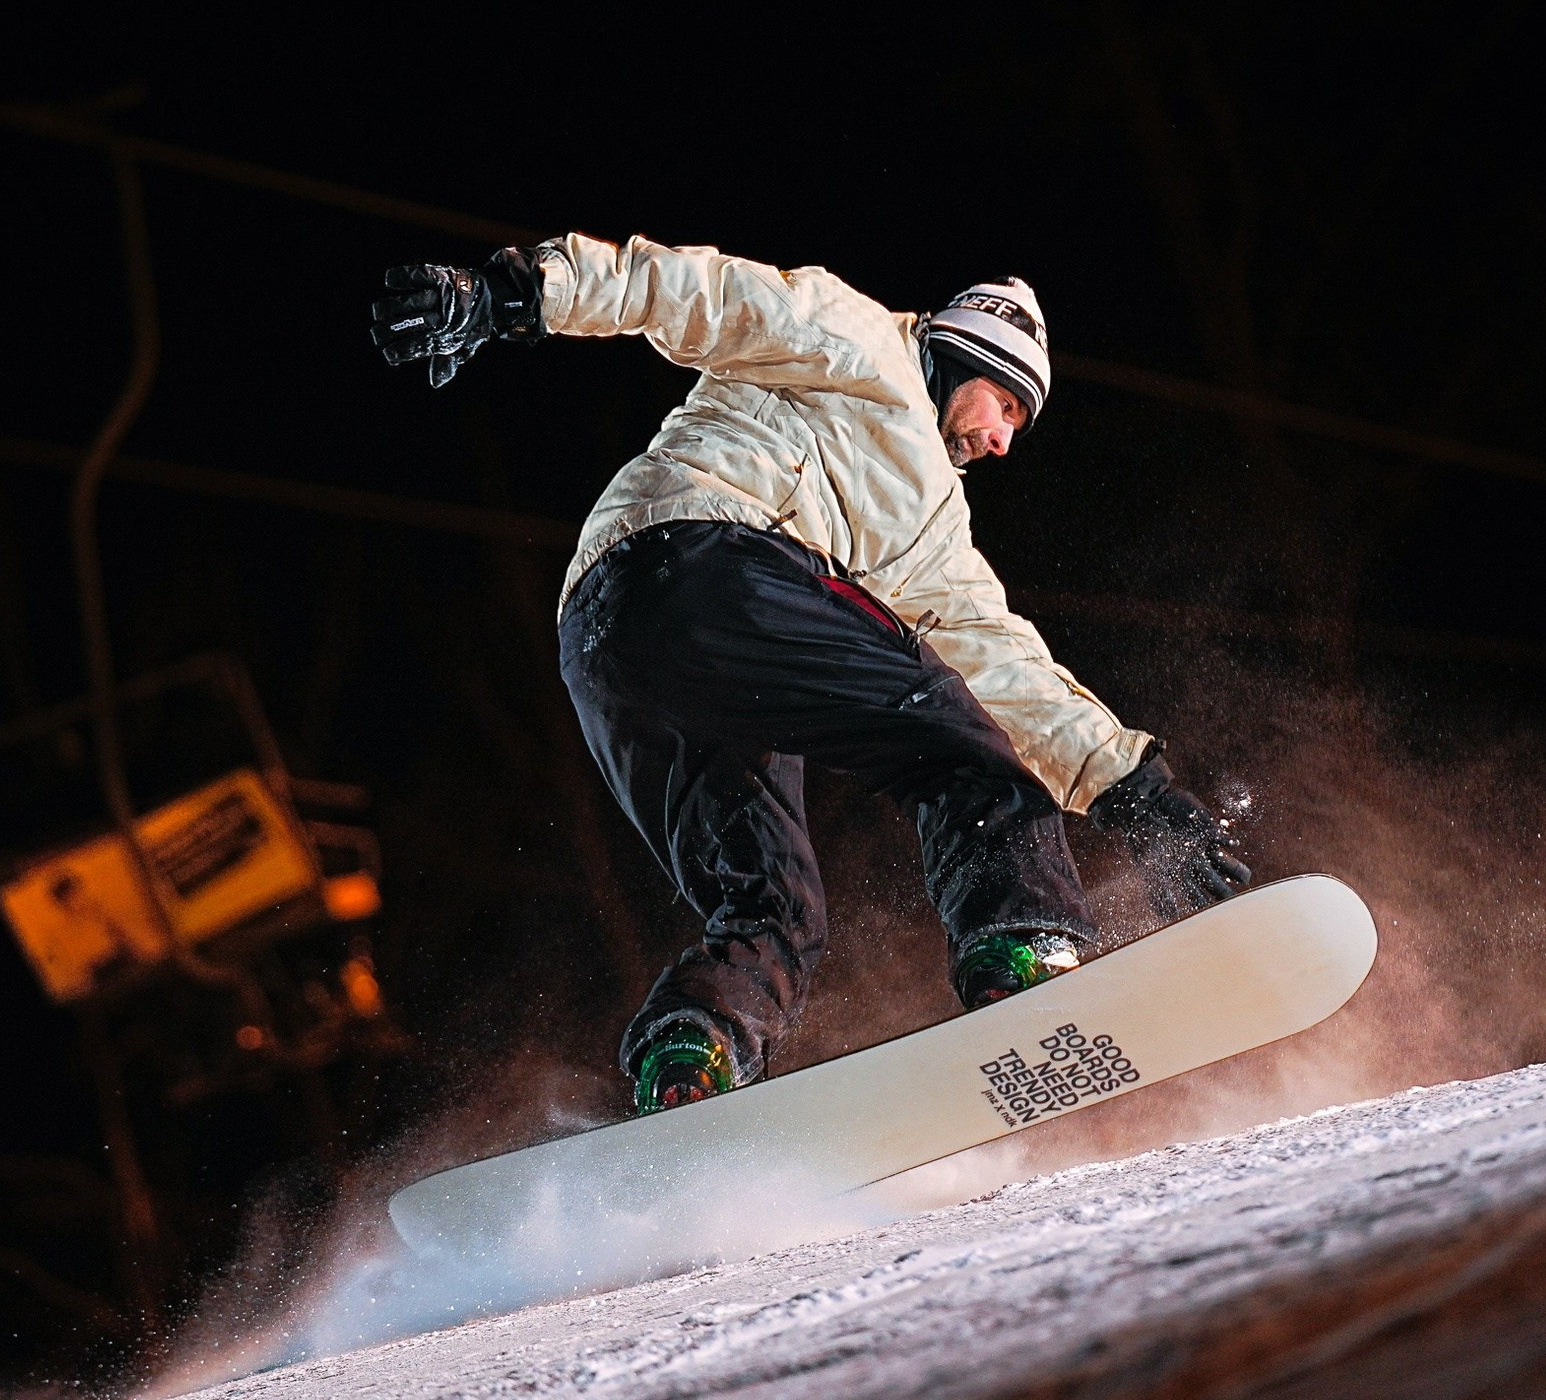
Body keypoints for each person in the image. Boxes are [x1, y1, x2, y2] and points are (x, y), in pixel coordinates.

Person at [370, 236, 1248, 1113]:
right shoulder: (856, 335)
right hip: (705, 557)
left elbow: (1006, 659)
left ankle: (690, 1061)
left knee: (771, 905)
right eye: (1009, 406)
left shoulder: (932, 531)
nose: (1003, 440)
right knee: (959, 747)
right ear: (968, 352)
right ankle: (1021, 947)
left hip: (607, 644)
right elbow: (689, 290)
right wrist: (513, 294)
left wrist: (1138, 793)